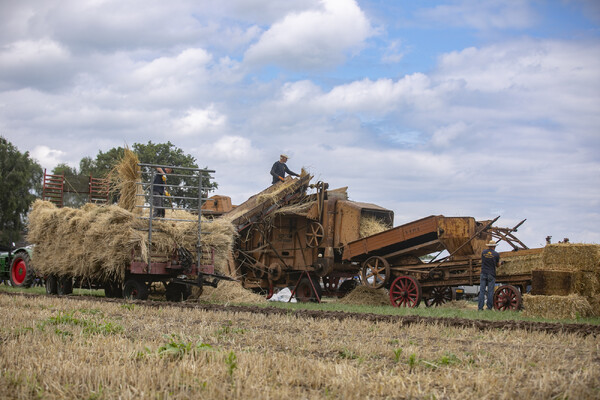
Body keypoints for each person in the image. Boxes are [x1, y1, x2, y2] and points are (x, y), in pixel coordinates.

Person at [478, 240, 500, 310]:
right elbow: (497, 265)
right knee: (490, 291)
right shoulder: (496, 254)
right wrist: (501, 263)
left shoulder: (483, 252)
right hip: (491, 274)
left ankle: (480, 307)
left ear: (488, 246)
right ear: (494, 246)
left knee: (482, 291)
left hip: (483, 273)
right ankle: (489, 307)